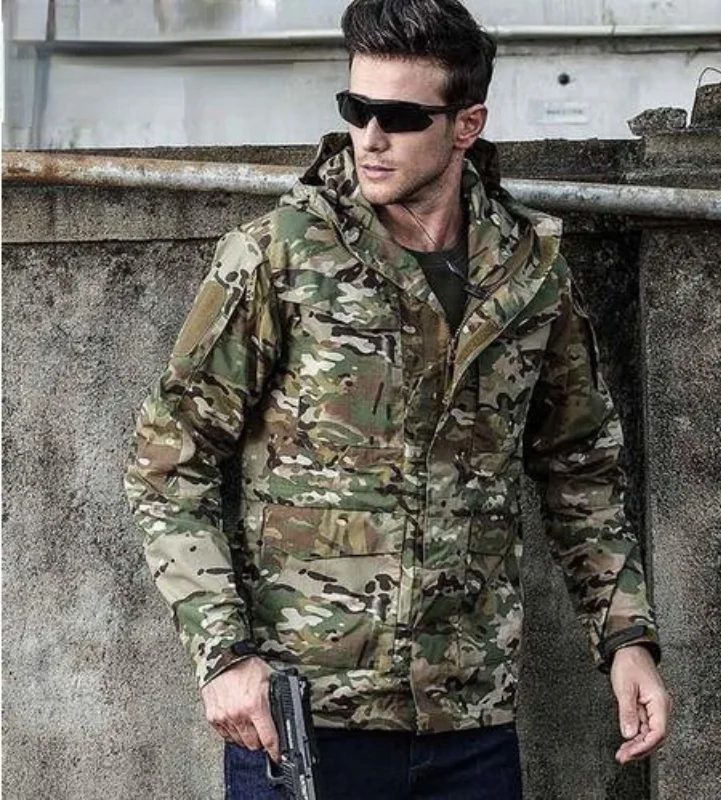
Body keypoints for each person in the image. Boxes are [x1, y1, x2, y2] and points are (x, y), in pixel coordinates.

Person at [124, 0, 671, 797]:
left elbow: (579, 467)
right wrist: (224, 655)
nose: (370, 137)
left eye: (402, 116)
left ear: (466, 124)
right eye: (357, 108)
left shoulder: (529, 272)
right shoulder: (279, 256)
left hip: (470, 723)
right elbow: (167, 465)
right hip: (307, 720)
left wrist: (627, 640)